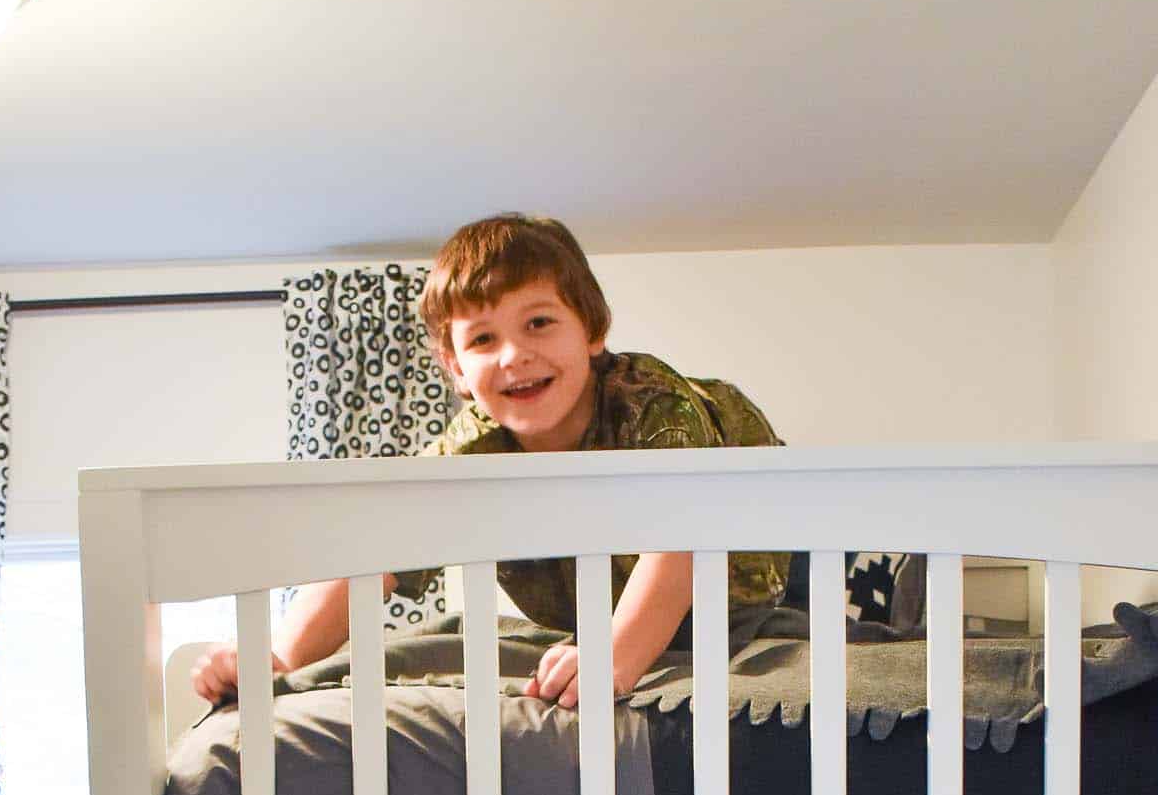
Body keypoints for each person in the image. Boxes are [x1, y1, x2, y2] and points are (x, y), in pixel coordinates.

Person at [190, 212, 787, 709]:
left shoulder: (651, 403)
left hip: (756, 572)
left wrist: (614, 659)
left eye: (539, 323)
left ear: (593, 331)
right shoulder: (474, 447)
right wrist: (280, 658)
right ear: (455, 368)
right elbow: (373, 553)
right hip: (606, 603)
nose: (515, 355)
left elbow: (680, 543)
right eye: (482, 340)